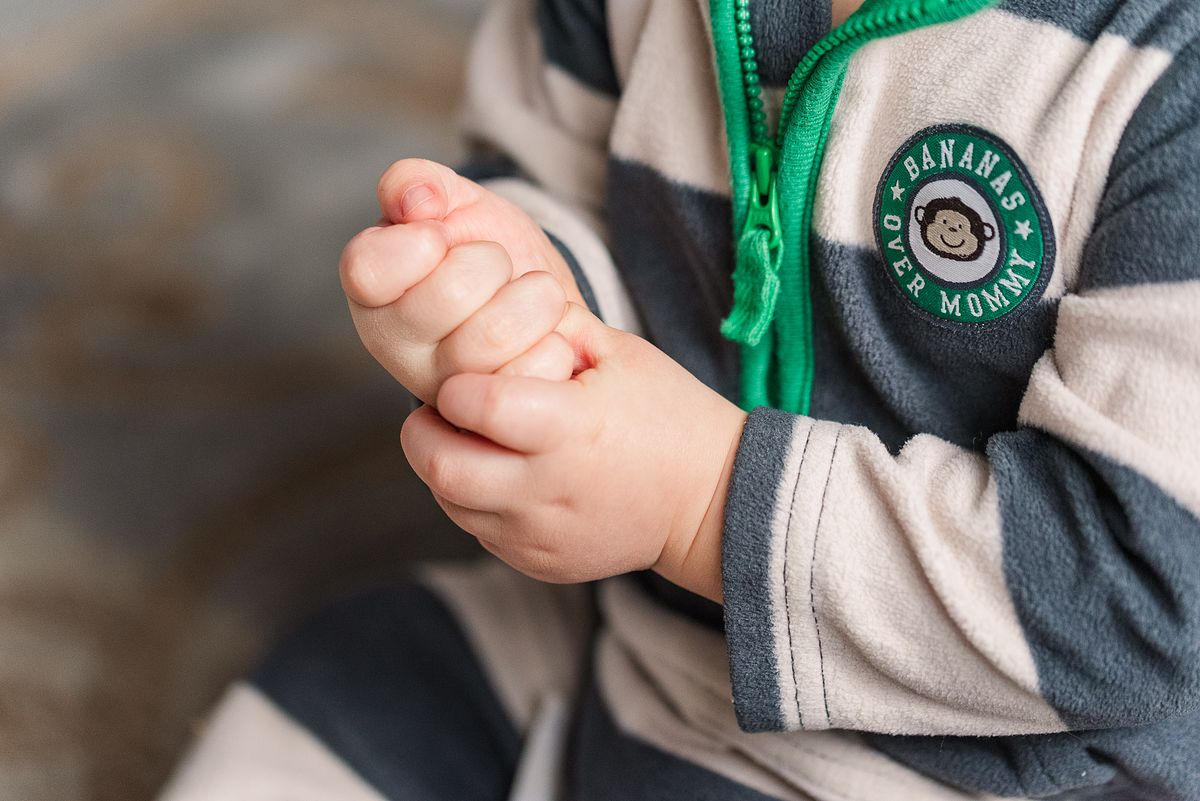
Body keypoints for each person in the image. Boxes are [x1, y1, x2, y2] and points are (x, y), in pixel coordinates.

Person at [159, 0, 1200, 799]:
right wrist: (516, 307)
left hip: (1005, 752)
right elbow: (551, 170)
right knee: (360, 678)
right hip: (645, 635)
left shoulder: (1170, 70)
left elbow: (1132, 598)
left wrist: (705, 503)